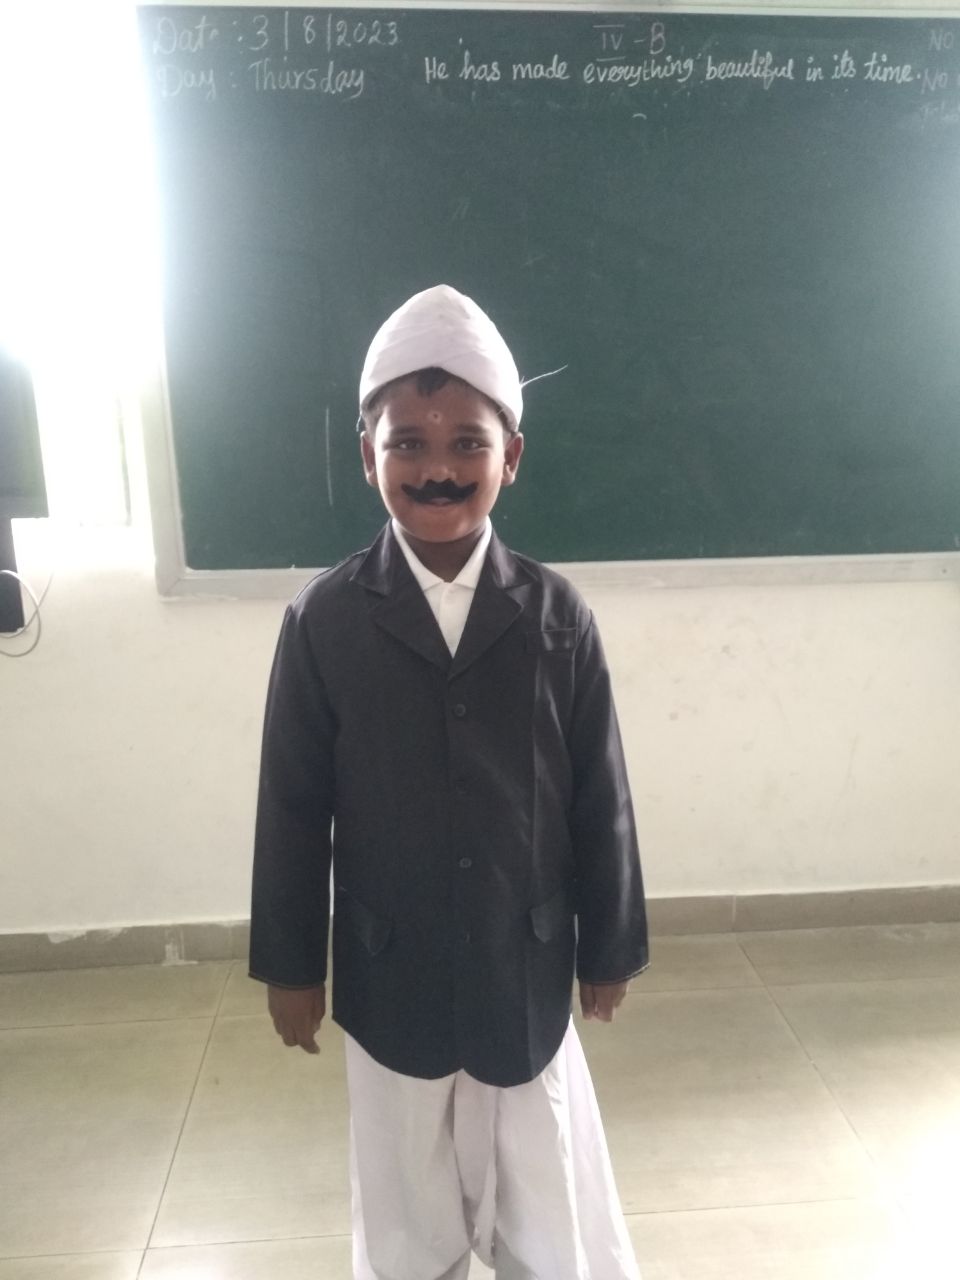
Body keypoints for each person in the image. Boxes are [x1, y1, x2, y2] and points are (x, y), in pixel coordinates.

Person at [250, 285, 649, 1280]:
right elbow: (291, 809)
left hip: (526, 961)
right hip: (391, 966)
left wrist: (609, 945)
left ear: (511, 456)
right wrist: (292, 967)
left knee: (542, 1190)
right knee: (405, 1198)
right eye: (408, 442)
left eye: (468, 441)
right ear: (367, 455)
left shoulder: (558, 617)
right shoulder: (323, 621)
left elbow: (600, 797)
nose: (438, 467)